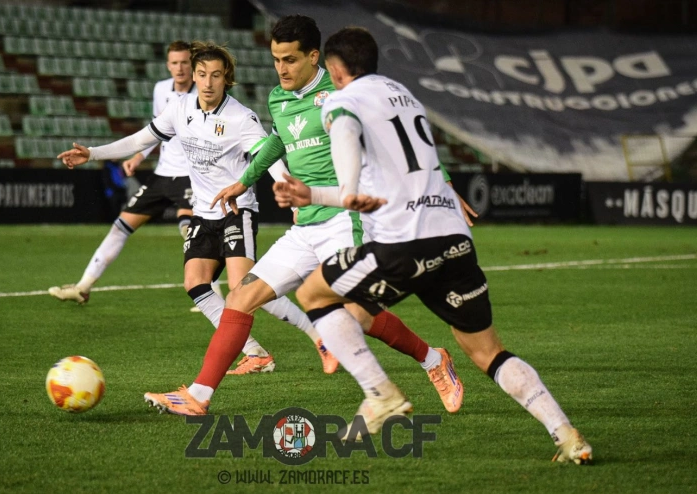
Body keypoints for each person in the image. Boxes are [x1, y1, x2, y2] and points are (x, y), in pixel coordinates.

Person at [273, 27, 593, 464]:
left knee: (313, 294)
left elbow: (345, 134)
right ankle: (568, 435)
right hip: (454, 239)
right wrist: (318, 194)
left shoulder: (342, 99)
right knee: (487, 352)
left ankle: (381, 394)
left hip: (404, 241)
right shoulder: (404, 96)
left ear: (334, 68)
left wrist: (341, 191)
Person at [143, 15, 464, 417]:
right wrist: (244, 182)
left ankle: (432, 361)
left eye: (290, 59)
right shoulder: (278, 98)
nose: (281, 68)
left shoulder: (345, 94)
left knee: (354, 314)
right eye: (276, 59)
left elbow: (400, 136)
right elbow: (277, 141)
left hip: (346, 220)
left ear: (314, 57)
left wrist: (444, 182)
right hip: (305, 225)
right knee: (241, 297)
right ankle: (198, 396)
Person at [57, 41, 316, 372]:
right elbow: (139, 141)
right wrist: (93, 153)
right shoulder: (179, 108)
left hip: (236, 210)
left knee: (245, 289)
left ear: (226, 79)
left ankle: (318, 335)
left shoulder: (241, 118)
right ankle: (254, 352)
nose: (208, 83)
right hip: (203, 213)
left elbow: (268, 156)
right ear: (194, 76)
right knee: (195, 283)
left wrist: (289, 191)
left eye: (216, 75)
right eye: (202, 74)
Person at [48, 41, 197, 305]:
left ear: (192, 64)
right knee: (120, 227)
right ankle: (82, 287)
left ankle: (211, 297)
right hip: (162, 174)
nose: (180, 68)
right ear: (168, 65)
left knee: (190, 231)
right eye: (175, 63)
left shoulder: (203, 93)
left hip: (191, 175)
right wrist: (138, 157)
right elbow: (155, 131)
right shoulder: (161, 89)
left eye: (185, 62)